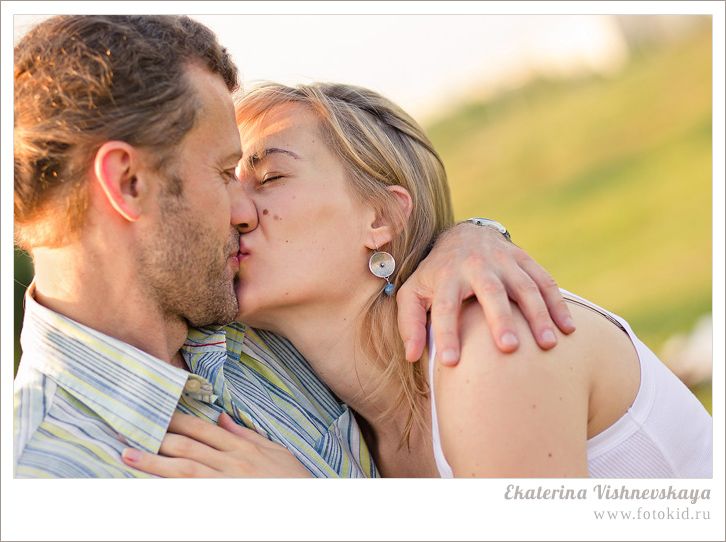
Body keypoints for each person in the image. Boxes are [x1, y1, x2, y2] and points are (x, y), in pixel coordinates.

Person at [13, 15, 573, 478]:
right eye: (221, 171)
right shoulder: (42, 473)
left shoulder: (254, 322)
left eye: (263, 177)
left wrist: (468, 236)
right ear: (128, 182)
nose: (242, 212)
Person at [124, 82, 711, 478]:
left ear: (380, 218)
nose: (236, 211)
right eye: (227, 181)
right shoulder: (309, 399)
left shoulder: (487, 345)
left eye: (270, 176)